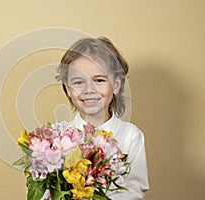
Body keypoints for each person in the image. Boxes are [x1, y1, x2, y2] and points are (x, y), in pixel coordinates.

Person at [54, 37, 149, 199]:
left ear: (116, 85)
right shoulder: (57, 139)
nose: (89, 90)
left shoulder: (131, 135)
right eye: (78, 82)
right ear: (67, 89)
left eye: (99, 80)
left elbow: (136, 188)